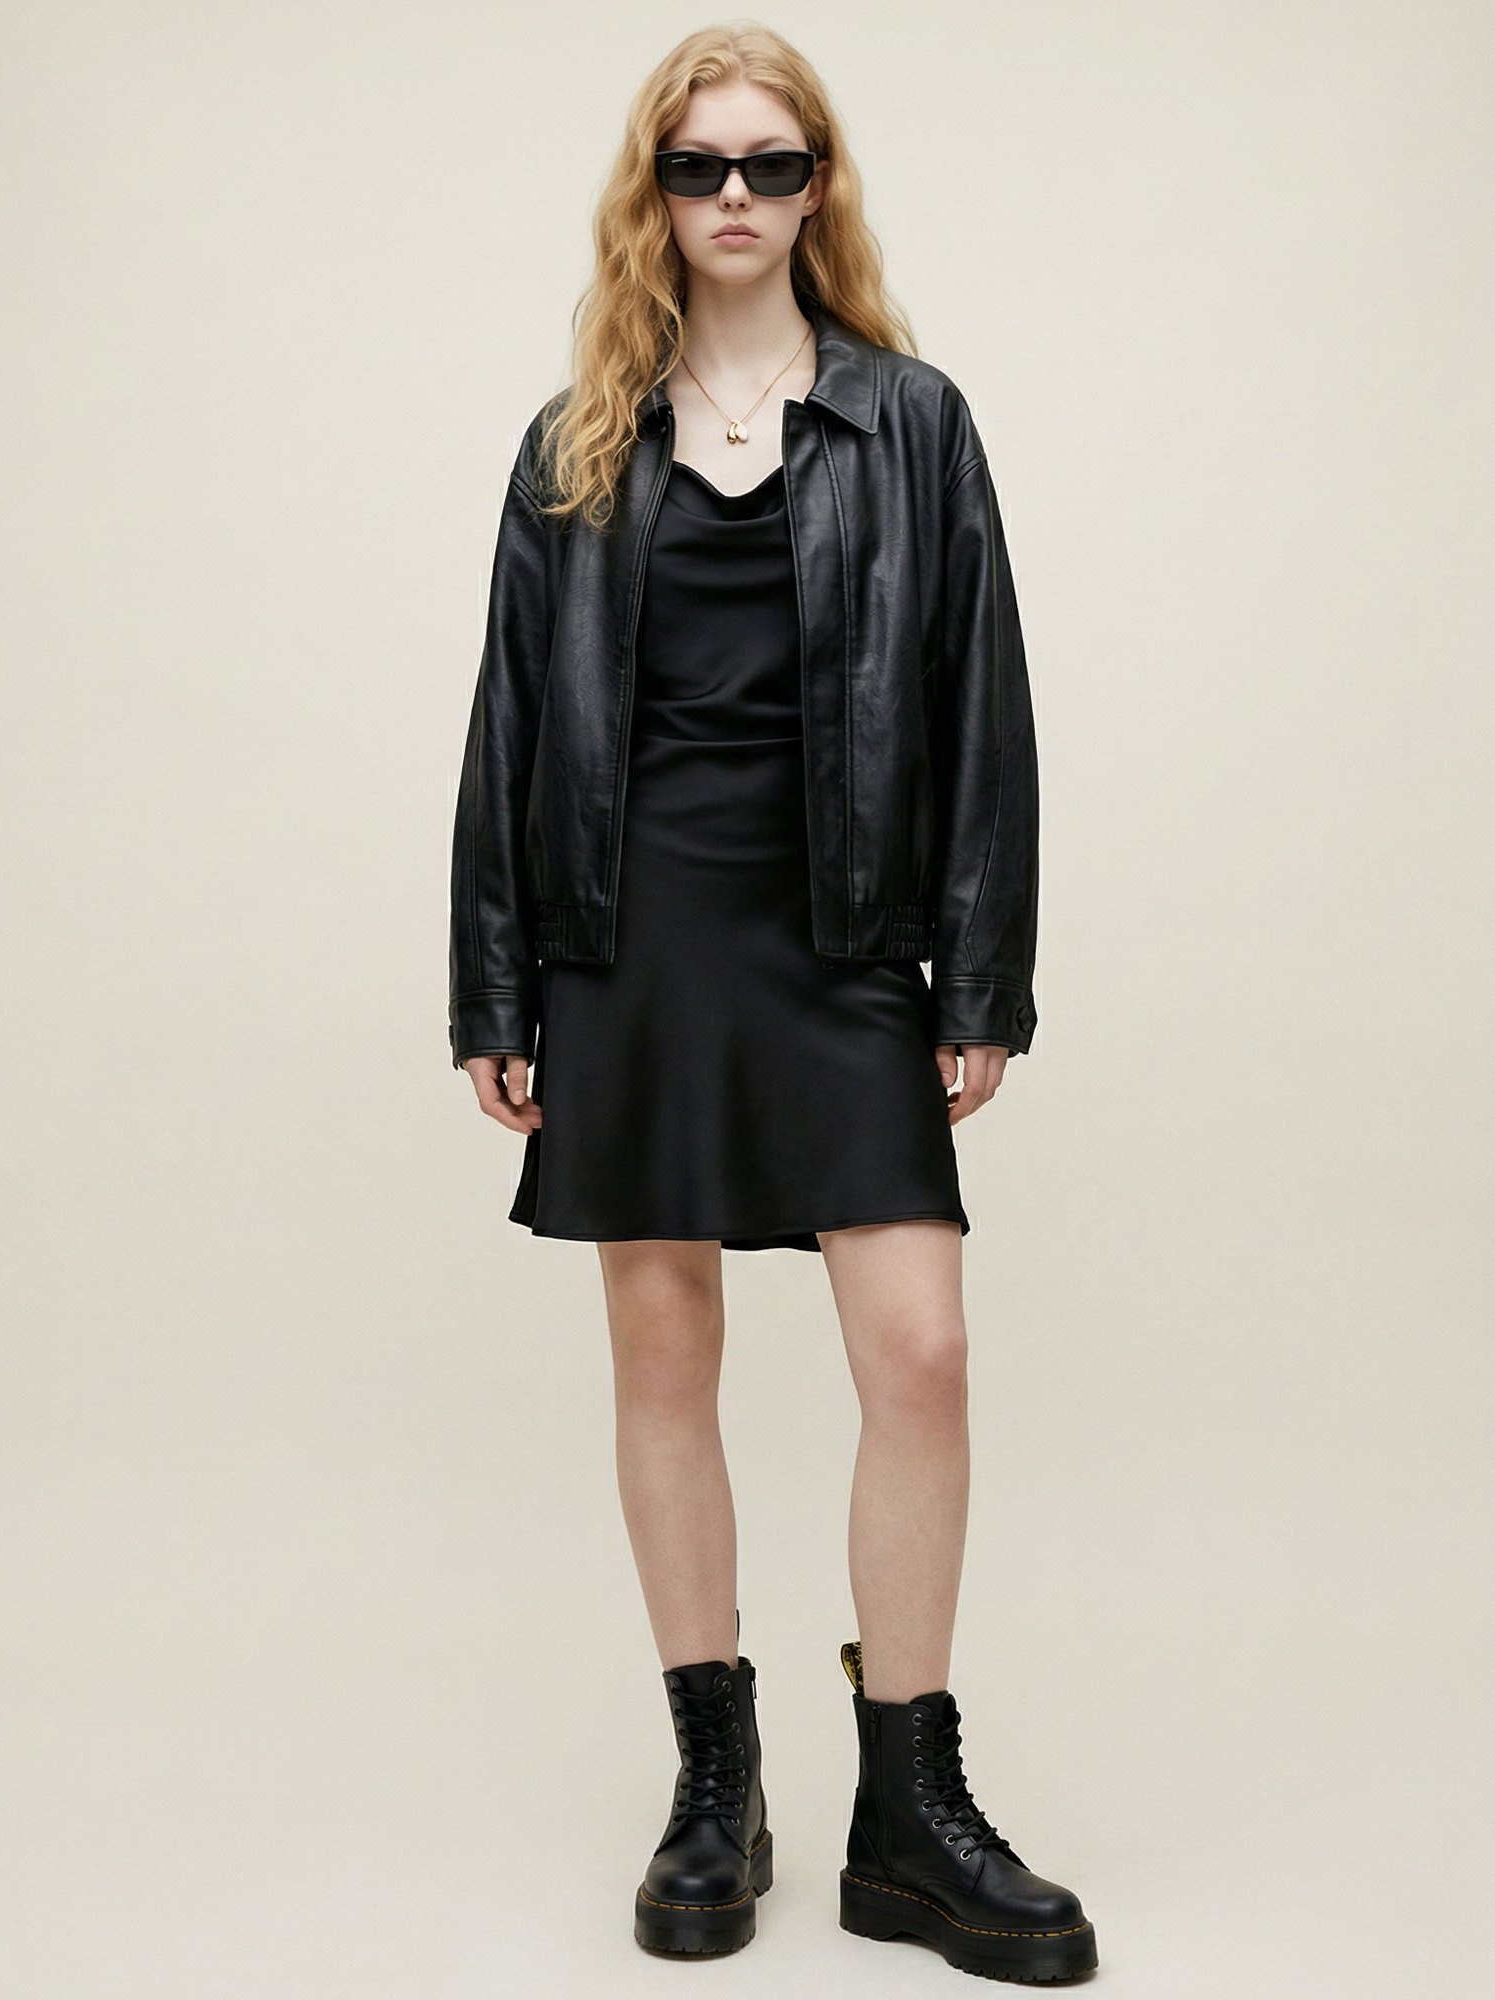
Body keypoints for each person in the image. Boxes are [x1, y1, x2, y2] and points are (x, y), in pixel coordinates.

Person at [448, 22, 1096, 1985]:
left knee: (923, 1353)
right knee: (664, 1355)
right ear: (653, 194)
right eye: (699, 166)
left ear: (822, 188)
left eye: (773, 164)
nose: (736, 197)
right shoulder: (576, 440)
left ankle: (910, 1809)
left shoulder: (913, 423)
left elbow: (982, 700)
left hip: (844, 935)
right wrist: (496, 981)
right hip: (631, 937)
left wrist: (980, 969)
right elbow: (506, 726)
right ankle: (715, 1786)